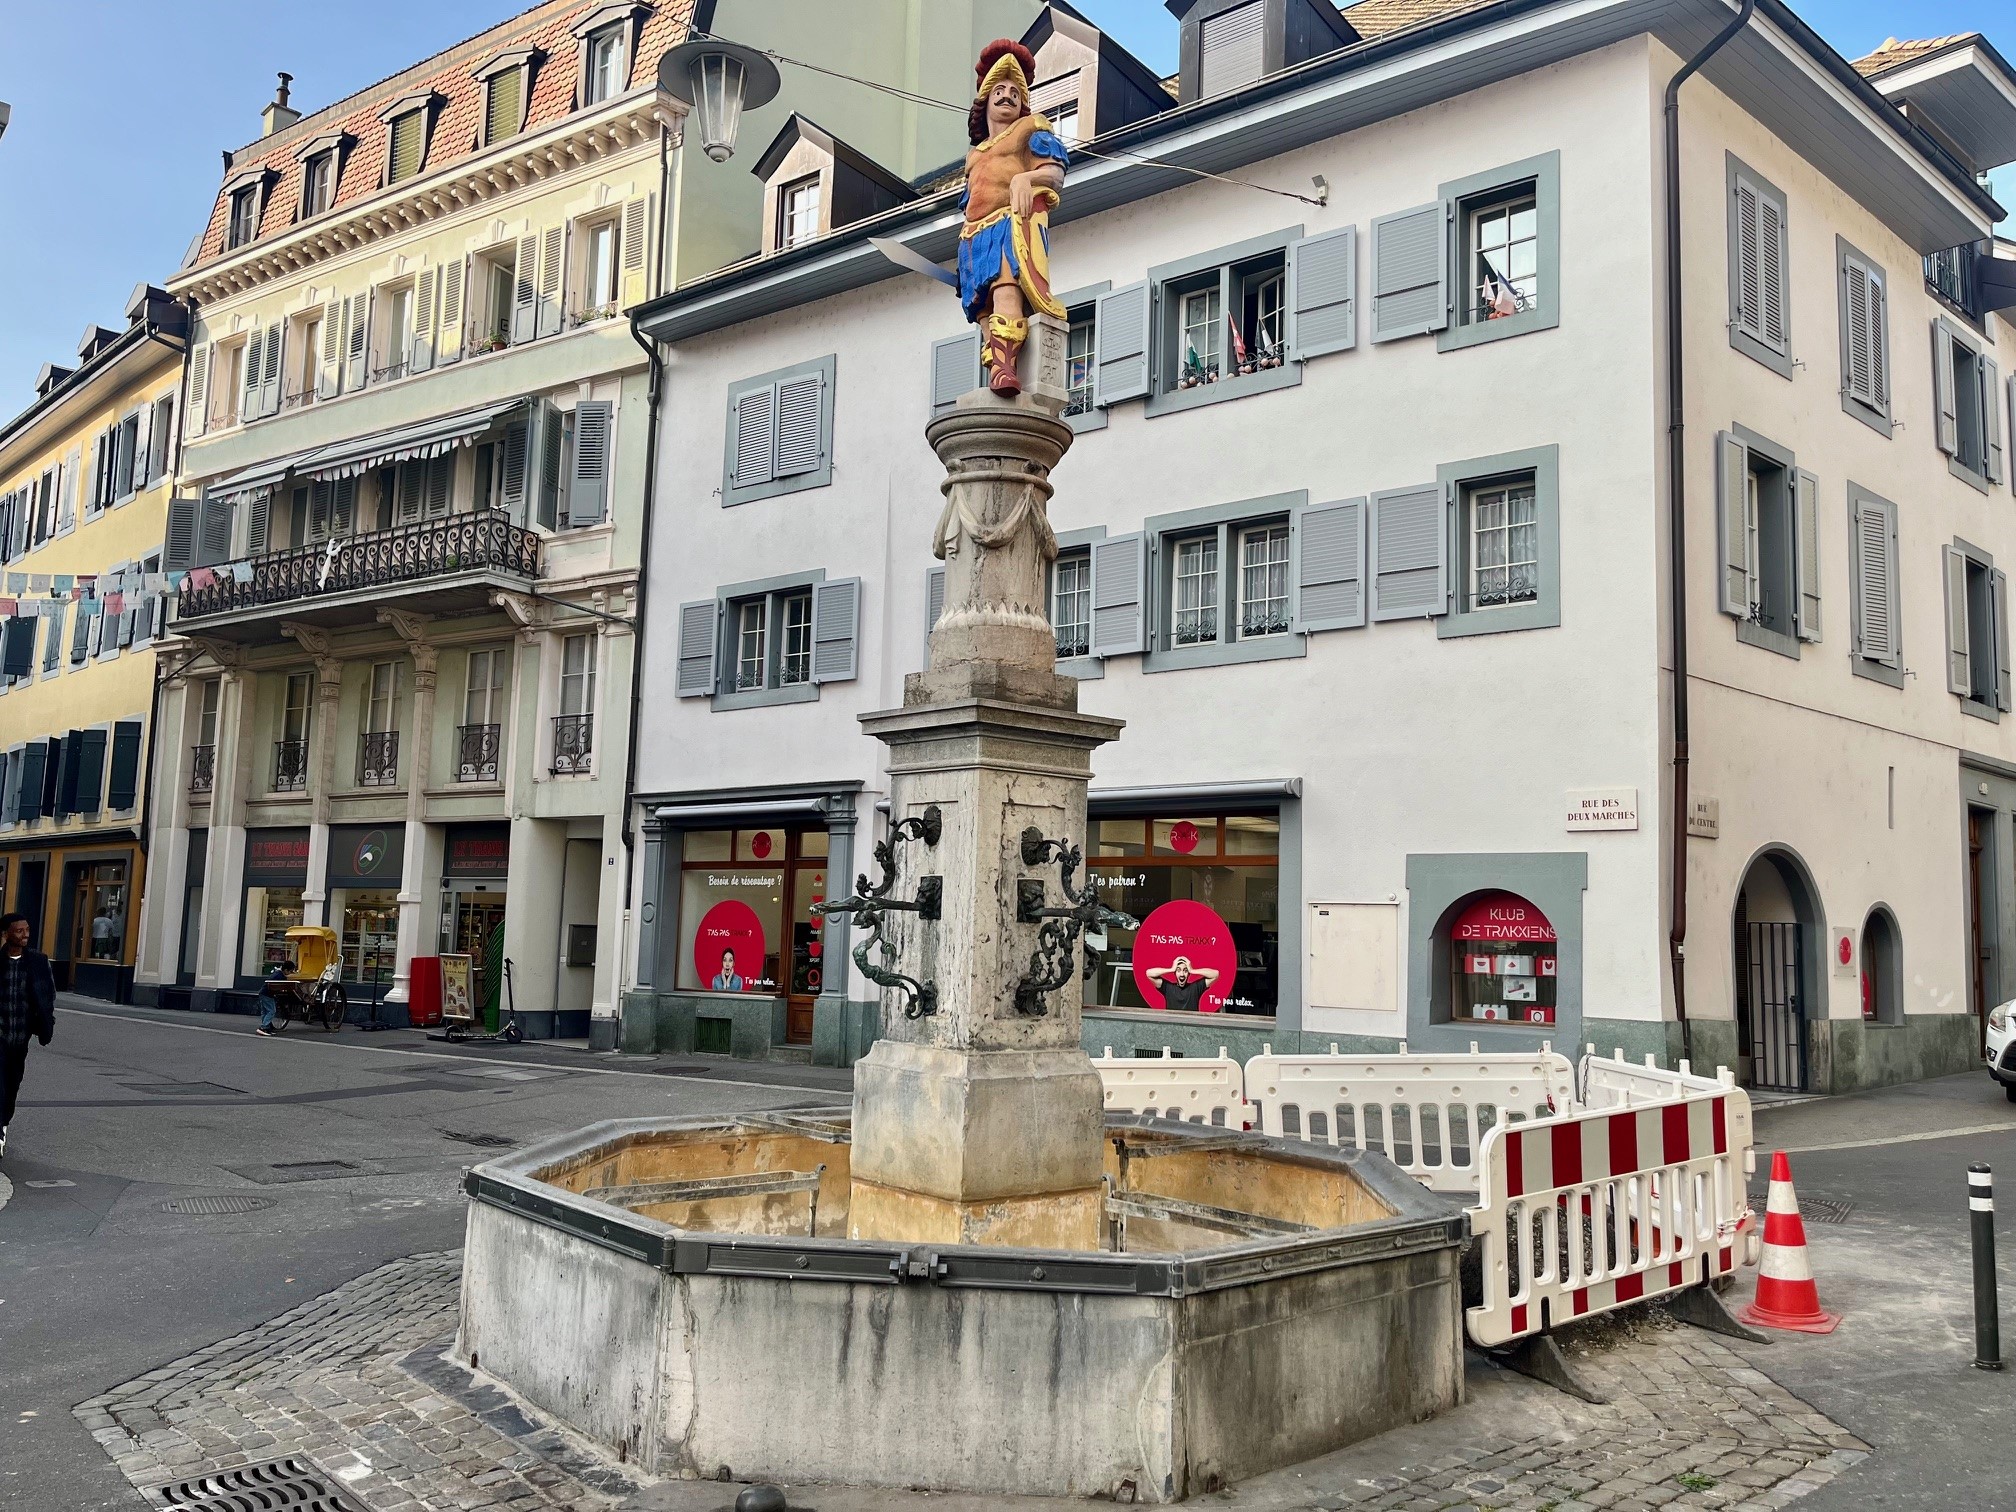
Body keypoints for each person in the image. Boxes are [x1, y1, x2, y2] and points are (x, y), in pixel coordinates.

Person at [956, 39, 1069, 393]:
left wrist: (1027, 177)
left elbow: (1055, 173)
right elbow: (968, 202)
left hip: (1010, 225)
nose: (1007, 96)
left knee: (1007, 291)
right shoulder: (974, 156)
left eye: (1015, 92)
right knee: (983, 311)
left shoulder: (1031, 129)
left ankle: (1006, 369)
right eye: (999, 90)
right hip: (974, 236)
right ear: (985, 101)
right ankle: (996, 365)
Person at [0, 912, 57, 1160]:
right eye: (19, 931)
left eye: (27, 930)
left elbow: (47, 996)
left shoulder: (37, 961)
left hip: (21, 1036)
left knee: (12, 1084)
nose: (25, 935)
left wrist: (46, 1024)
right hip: (0, 1035)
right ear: (6, 934)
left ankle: (3, 1123)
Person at [1145, 955, 1220, 1015]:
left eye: (1185, 971)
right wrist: (1171, 969)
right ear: (1175, 973)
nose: (1182, 974)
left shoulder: (1195, 987)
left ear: (1189, 974)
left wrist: (1192, 970)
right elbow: (1149, 973)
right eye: (1178, 970)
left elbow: (1215, 974)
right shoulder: (1168, 987)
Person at [255, 965, 285, 1036]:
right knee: (271, 1011)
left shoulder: (276, 973)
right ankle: (263, 1027)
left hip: (263, 993)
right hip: (268, 995)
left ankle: (267, 1027)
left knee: (265, 1011)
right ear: (286, 970)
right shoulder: (280, 976)